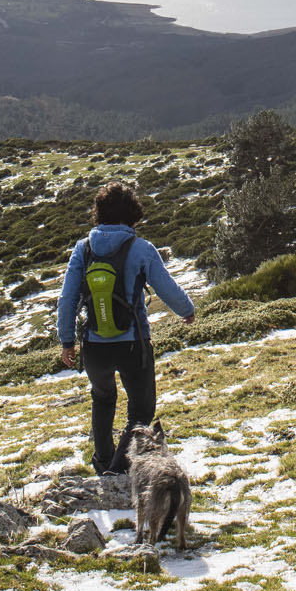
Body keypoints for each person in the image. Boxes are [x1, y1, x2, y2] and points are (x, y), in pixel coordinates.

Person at [57, 182, 195, 475]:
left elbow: (68, 298)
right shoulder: (141, 248)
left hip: (94, 346)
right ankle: (117, 471)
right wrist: (187, 311)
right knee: (141, 412)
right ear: (133, 215)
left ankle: (103, 461)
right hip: (134, 345)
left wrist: (67, 341)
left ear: (99, 214)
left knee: (103, 398)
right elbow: (167, 289)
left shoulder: (82, 249)